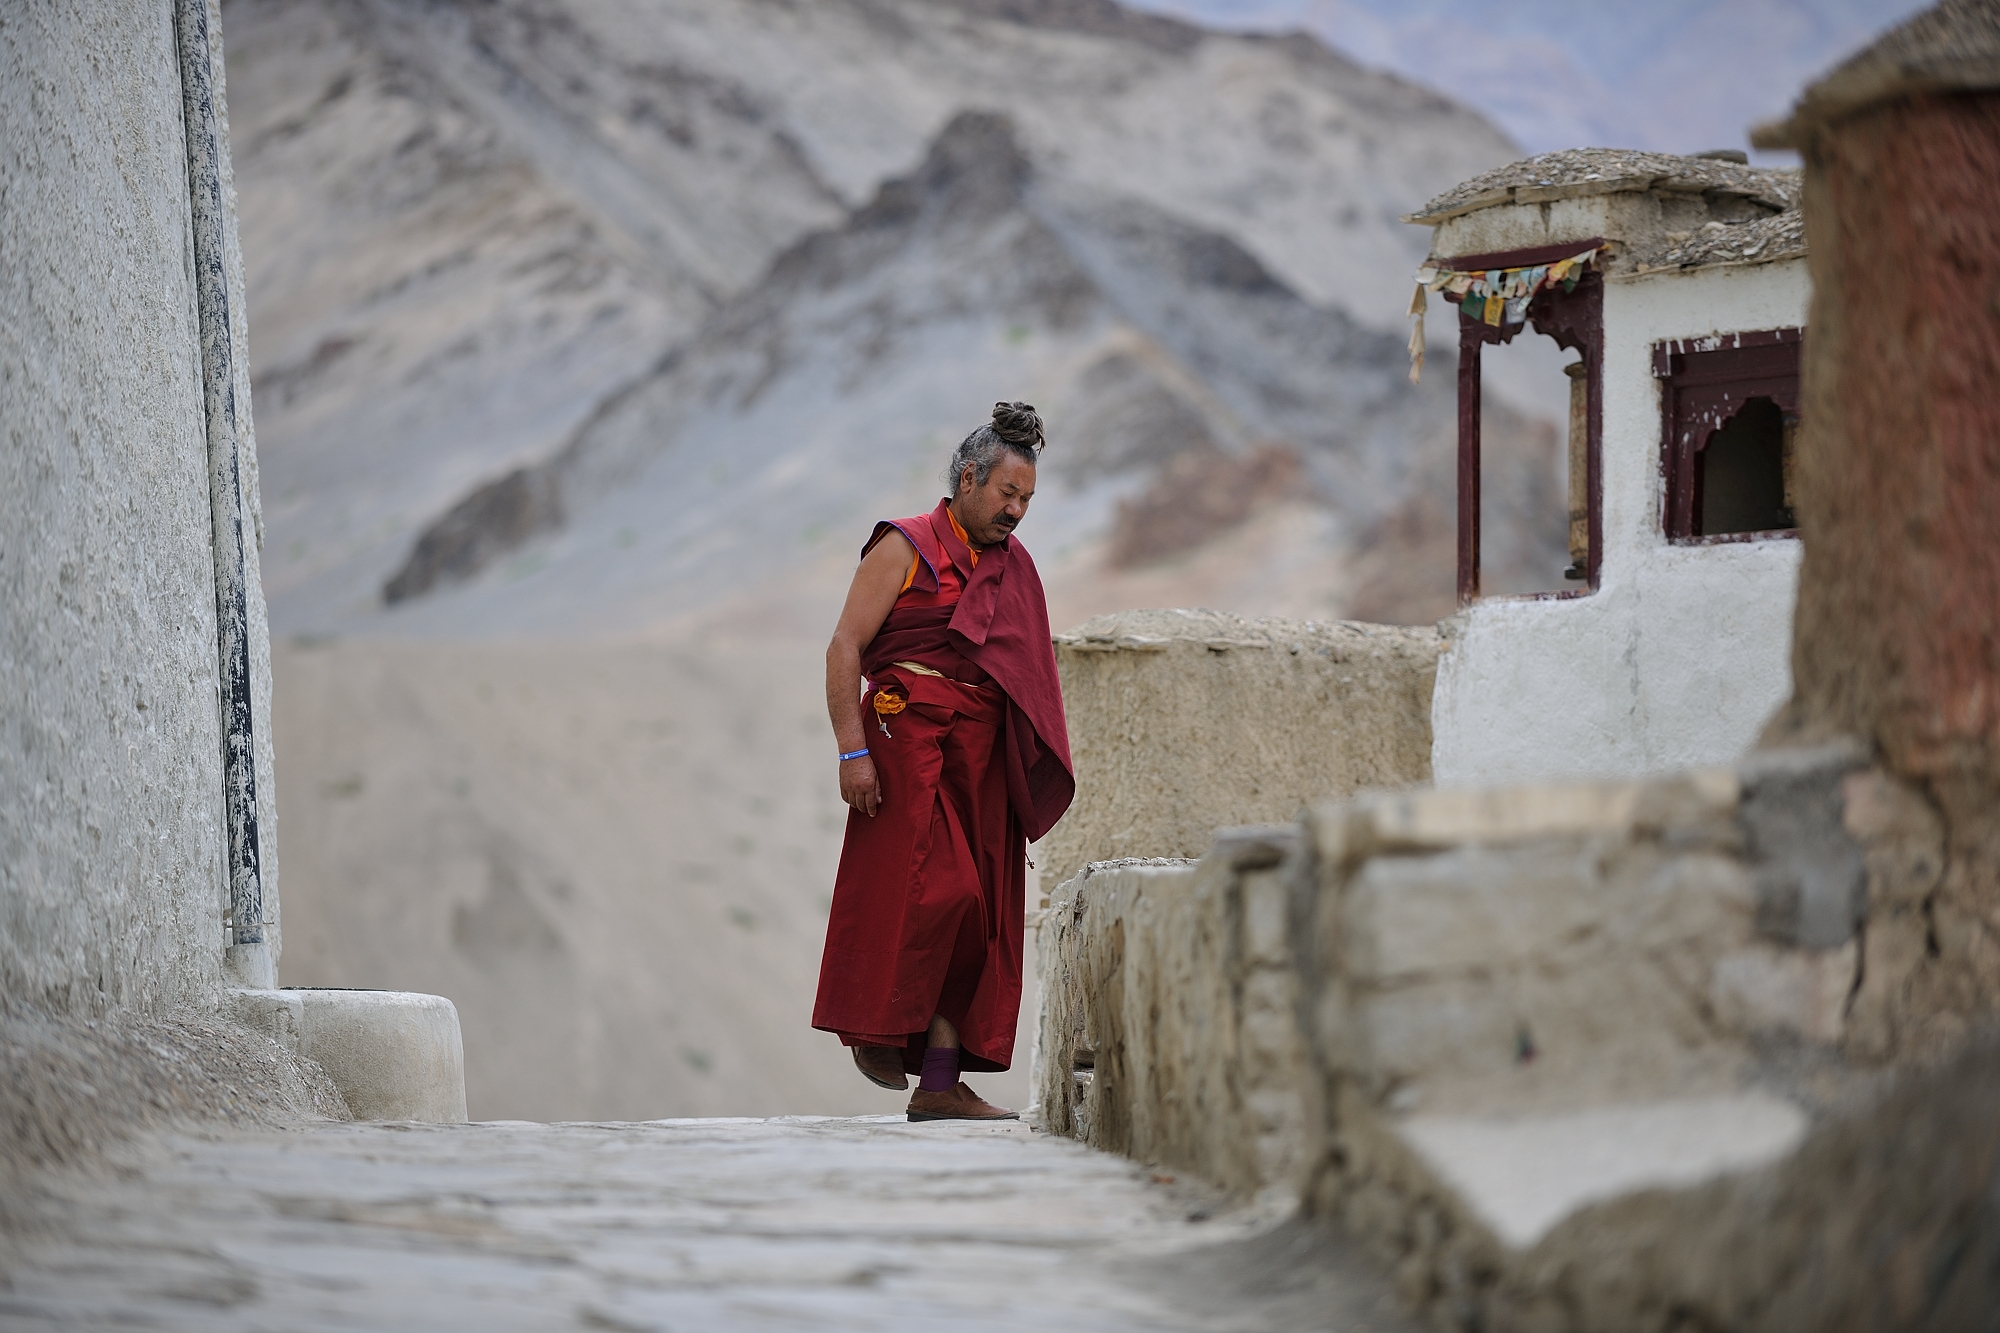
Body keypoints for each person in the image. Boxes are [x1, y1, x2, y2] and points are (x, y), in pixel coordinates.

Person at [811, 401, 1074, 1122]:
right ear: (968, 477)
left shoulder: (1012, 568)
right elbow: (844, 647)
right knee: (940, 892)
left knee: (981, 911)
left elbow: (1025, 668)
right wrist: (851, 749)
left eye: (1026, 499)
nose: (1016, 511)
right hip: (907, 743)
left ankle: (937, 1081)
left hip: (981, 756)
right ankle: (877, 1033)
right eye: (1006, 494)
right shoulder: (904, 546)